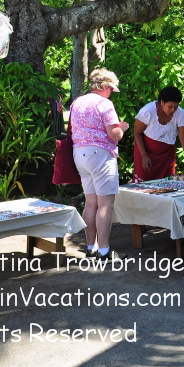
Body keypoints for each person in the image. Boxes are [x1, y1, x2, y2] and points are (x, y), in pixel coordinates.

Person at [71, 69, 129, 261]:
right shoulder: (104, 104)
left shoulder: (77, 102)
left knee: (90, 203)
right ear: (104, 86)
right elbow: (114, 135)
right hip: (100, 155)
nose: (111, 93)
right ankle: (104, 251)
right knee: (105, 204)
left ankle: (91, 247)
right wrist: (122, 128)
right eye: (111, 89)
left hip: (80, 154)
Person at [133, 86, 184, 182]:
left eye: (175, 107)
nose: (173, 110)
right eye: (170, 107)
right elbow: (137, 133)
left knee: (167, 183)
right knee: (143, 185)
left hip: (167, 156)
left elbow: (183, 139)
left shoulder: (181, 114)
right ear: (162, 102)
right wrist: (144, 155)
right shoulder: (147, 111)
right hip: (145, 152)